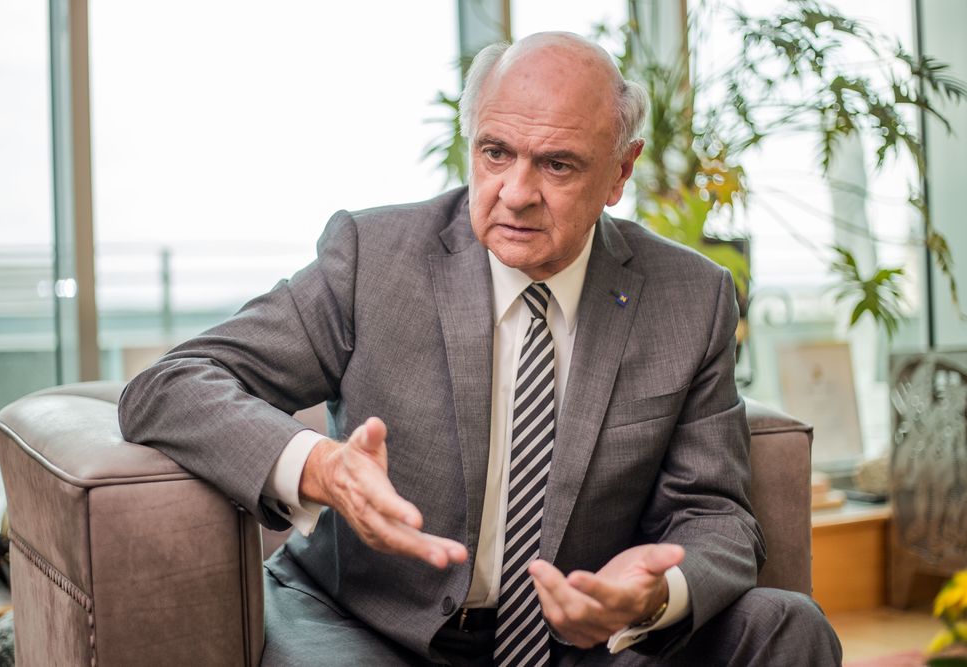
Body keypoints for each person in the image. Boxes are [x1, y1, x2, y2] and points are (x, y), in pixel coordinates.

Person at [119, 32, 842, 666]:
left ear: (620, 173)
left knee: (788, 626)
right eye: (495, 153)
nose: (515, 192)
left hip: (588, 641)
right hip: (366, 626)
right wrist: (321, 467)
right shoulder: (374, 258)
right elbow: (173, 383)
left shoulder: (690, 296)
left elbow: (715, 515)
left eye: (557, 165)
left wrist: (651, 597)